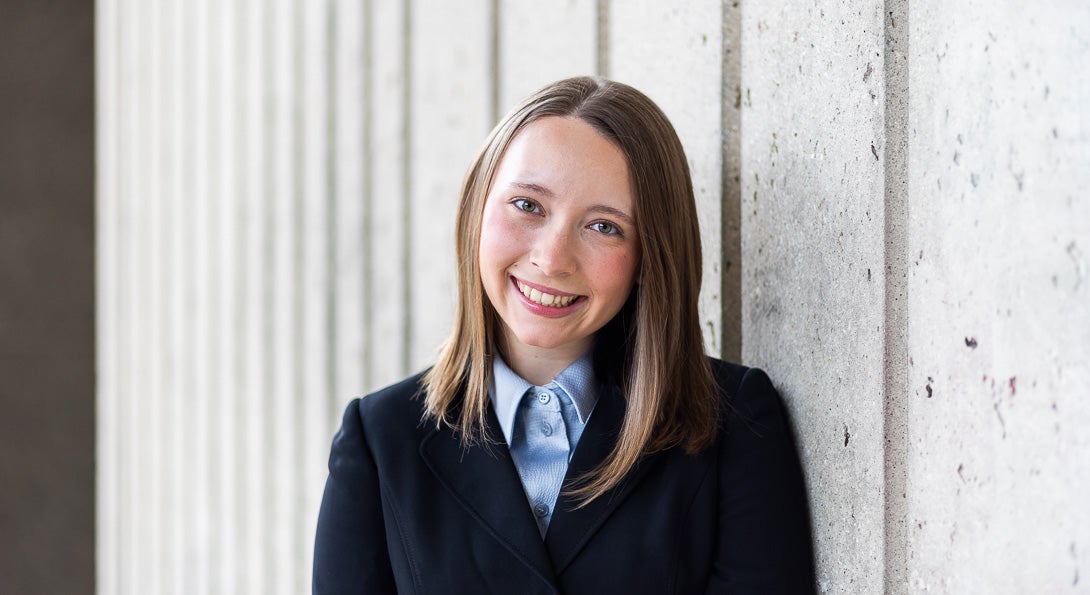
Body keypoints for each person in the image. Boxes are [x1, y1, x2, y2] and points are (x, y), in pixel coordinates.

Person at [313, 76, 815, 594]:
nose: (551, 260)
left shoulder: (731, 424)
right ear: (477, 210)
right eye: (528, 205)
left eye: (604, 226)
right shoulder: (381, 440)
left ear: (650, 257)